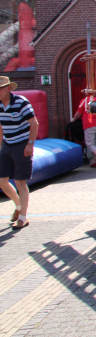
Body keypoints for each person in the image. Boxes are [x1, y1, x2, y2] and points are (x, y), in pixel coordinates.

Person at [0, 76, 39, 230]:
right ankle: (18, 205)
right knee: (2, 181)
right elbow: (1, 127)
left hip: (22, 144)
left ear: (8, 88)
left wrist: (30, 144)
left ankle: (23, 217)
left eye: (0, 88)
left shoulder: (21, 102)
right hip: (7, 144)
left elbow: (34, 123)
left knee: (20, 182)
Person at [70, 94, 96, 169]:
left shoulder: (84, 101)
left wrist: (73, 119)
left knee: (89, 144)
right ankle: (93, 161)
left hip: (89, 125)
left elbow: (78, 114)